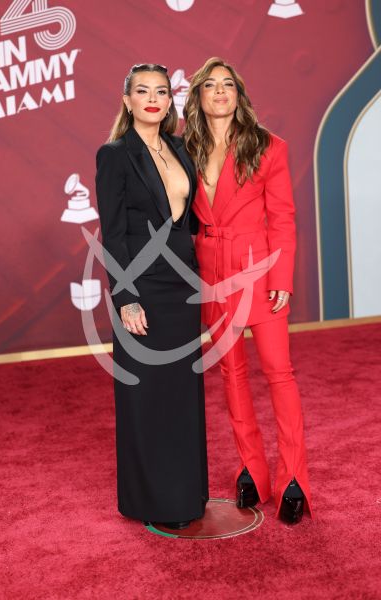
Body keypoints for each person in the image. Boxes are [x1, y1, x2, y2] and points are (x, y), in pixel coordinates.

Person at [183, 57, 313, 524]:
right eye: (210, 85)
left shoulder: (269, 147)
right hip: (212, 274)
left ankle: (293, 478)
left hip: (259, 273)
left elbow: (282, 218)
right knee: (231, 376)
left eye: (228, 85)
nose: (220, 91)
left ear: (239, 94)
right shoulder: (186, 150)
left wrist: (282, 280)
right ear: (197, 96)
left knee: (279, 373)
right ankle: (252, 472)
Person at [95, 63, 208, 529]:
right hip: (143, 290)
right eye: (142, 91)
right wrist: (125, 298)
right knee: (147, 394)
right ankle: (151, 500)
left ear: (170, 100)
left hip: (183, 286)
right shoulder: (115, 155)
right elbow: (113, 232)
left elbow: (189, 220)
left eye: (161, 91)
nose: (152, 98)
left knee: (182, 393)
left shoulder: (181, 148)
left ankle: (186, 494)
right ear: (127, 101)